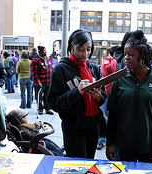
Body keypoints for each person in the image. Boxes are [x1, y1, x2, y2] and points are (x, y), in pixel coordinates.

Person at [106, 30, 152, 163]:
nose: (126, 58)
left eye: (131, 54)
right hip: (123, 147)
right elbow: (113, 114)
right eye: (125, 54)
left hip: (149, 147)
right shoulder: (119, 80)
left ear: (142, 55)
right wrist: (109, 143)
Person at [47, 29, 107, 159]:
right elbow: (53, 103)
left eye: (89, 49)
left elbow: (103, 96)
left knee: (89, 163)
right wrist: (77, 92)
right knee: (77, 167)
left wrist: (99, 97)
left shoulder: (94, 69)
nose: (85, 53)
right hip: (73, 129)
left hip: (93, 127)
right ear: (71, 47)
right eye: (81, 49)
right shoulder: (61, 69)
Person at [97, 46, 117, 150]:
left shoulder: (107, 61)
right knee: (104, 118)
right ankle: (101, 139)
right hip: (107, 93)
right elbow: (113, 71)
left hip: (111, 93)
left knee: (108, 118)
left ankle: (104, 139)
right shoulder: (110, 62)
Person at [31, 46, 54, 115]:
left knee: (47, 95)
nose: (45, 52)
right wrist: (37, 82)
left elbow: (50, 69)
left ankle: (47, 108)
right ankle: (40, 109)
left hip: (48, 81)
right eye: (44, 50)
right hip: (40, 82)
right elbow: (33, 73)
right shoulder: (35, 60)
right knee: (39, 96)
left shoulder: (47, 59)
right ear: (40, 51)